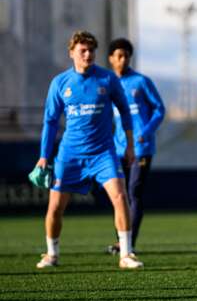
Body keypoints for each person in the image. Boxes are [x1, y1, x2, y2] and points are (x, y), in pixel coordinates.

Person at [35, 31, 144, 269]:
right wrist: (44, 156)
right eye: (82, 50)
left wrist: (130, 146)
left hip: (103, 153)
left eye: (91, 50)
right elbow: (50, 122)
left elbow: (125, 111)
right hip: (70, 155)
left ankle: (126, 254)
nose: (88, 54)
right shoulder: (60, 83)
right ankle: (52, 254)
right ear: (71, 53)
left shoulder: (107, 79)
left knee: (120, 197)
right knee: (55, 207)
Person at [104, 38, 165, 254]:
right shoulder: (107, 83)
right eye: (119, 56)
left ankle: (129, 243)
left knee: (134, 192)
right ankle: (121, 241)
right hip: (118, 148)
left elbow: (159, 109)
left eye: (126, 56)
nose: (123, 60)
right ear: (111, 59)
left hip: (141, 148)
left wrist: (145, 132)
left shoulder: (141, 82)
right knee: (118, 194)